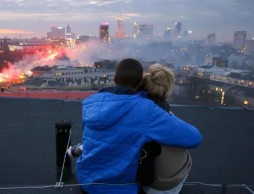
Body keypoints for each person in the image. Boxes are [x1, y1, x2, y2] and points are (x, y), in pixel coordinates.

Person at [70, 58, 202, 194]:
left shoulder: (90, 103)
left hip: (86, 182)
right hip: (121, 189)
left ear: (115, 79)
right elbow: (194, 138)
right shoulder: (146, 109)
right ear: (141, 82)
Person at [138, 64, 192, 194]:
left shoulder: (136, 114)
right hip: (172, 182)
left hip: (148, 183)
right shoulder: (168, 118)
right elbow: (195, 138)